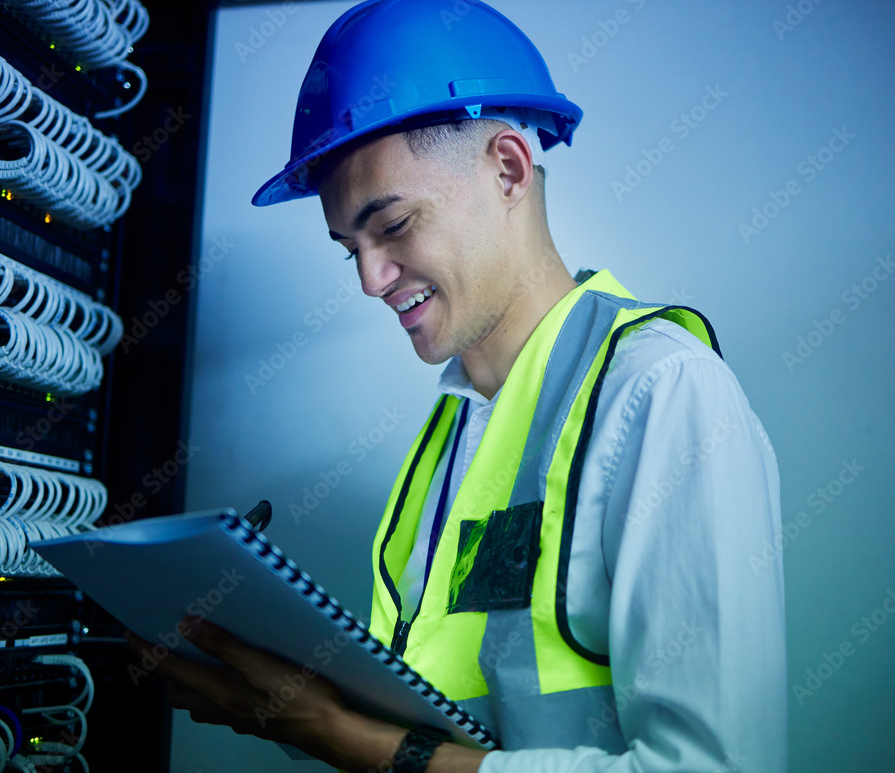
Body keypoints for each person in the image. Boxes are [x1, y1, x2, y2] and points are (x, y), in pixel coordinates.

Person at [127, 1, 788, 771]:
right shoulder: (454, 431)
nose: (372, 280)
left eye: (395, 224)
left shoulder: (663, 393)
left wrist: (344, 737)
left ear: (508, 168)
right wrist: (292, 705)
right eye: (351, 250)